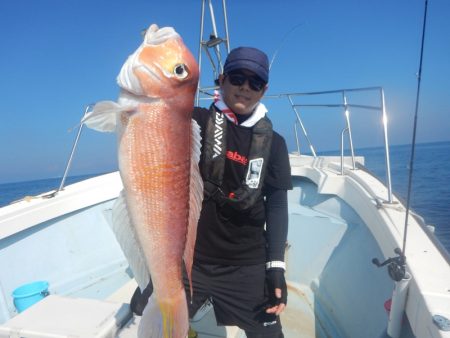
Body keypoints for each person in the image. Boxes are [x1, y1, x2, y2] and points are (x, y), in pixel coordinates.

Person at [131, 47, 292, 338]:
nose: (245, 87)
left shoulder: (276, 145)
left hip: (247, 263)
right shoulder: (192, 121)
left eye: (255, 82)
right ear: (221, 80)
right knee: (163, 327)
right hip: (192, 261)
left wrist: (275, 267)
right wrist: (155, 274)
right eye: (237, 77)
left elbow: (277, 206)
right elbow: (156, 126)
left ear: (264, 90)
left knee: (268, 333)